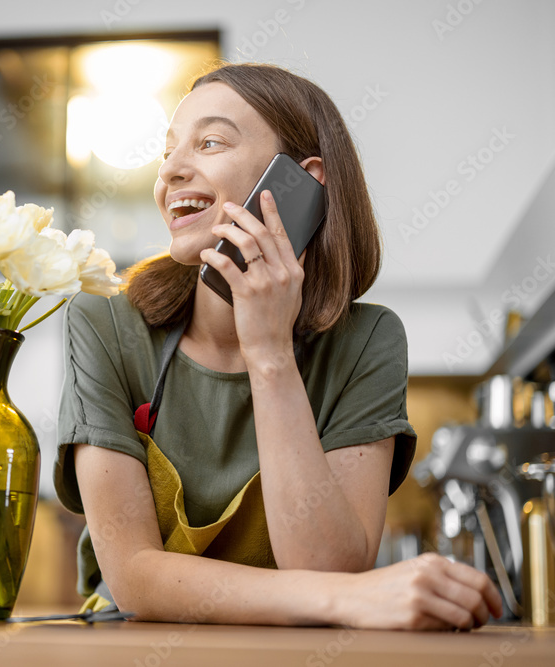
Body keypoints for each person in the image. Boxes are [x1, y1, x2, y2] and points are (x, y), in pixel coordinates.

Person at [55, 62, 502, 630]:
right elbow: (135, 576)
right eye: (168, 151)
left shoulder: (367, 342)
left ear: (298, 181)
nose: (170, 171)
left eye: (209, 142)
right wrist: (347, 600)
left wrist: (268, 353)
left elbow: (328, 566)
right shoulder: (102, 325)